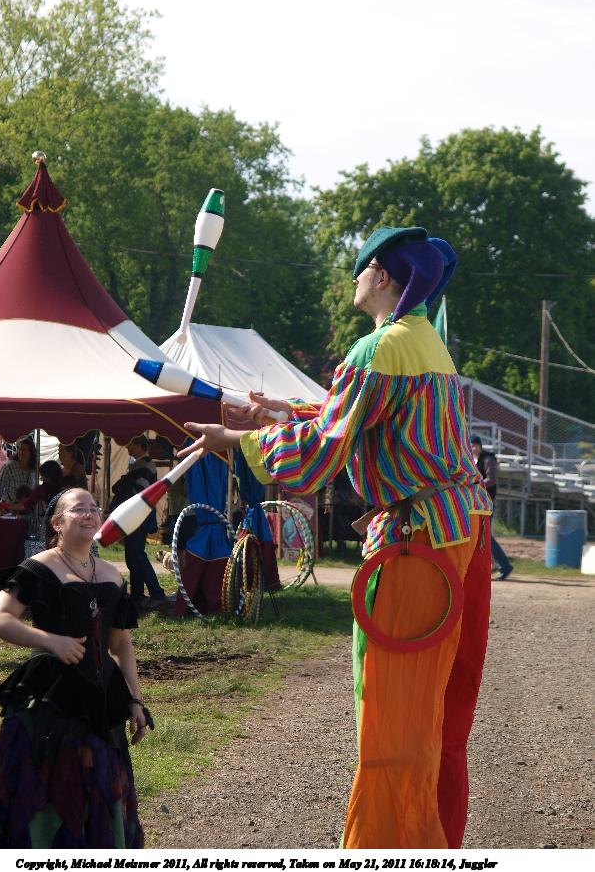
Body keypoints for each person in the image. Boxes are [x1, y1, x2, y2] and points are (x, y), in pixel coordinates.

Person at [179, 226, 493, 849]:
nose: (353, 280)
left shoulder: (378, 348)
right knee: (441, 714)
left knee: (395, 719)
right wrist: (279, 415)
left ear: (382, 276)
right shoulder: (426, 343)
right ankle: (436, 840)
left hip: (420, 541)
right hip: (464, 529)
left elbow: (323, 452)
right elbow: (359, 419)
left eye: (360, 269)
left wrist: (237, 441)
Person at [0, 487, 151, 847]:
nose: (89, 513)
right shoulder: (39, 568)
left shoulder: (113, 575)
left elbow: (120, 644)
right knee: (51, 788)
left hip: (102, 701)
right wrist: (51, 641)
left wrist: (135, 699)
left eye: (94, 508)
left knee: (100, 792)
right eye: (78, 509)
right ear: (57, 523)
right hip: (53, 701)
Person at [109, 435, 166, 612]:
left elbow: (141, 491)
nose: (127, 447)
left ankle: (157, 594)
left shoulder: (146, 465)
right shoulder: (139, 464)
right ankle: (137, 595)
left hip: (139, 516)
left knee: (137, 556)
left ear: (140, 446)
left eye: (131, 444)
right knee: (133, 557)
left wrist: (125, 484)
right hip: (134, 515)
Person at [470, 435, 513, 580]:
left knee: (485, 535)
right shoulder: (473, 460)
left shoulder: (488, 459)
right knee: (481, 535)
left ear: (480, 446)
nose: (472, 448)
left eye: (475, 445)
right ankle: (492, 564)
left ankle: (504, 565)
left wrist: (476, 486)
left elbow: (492, 479)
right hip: (478, 503)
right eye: (471, 445)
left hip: (487, 503)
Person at [0, 436, 37, 502]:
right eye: (20, 449)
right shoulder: (9, 467)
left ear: (31, 452)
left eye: (24, 450)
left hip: (26, 506)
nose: (21, 452)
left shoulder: (33, 469)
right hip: (9, 505)